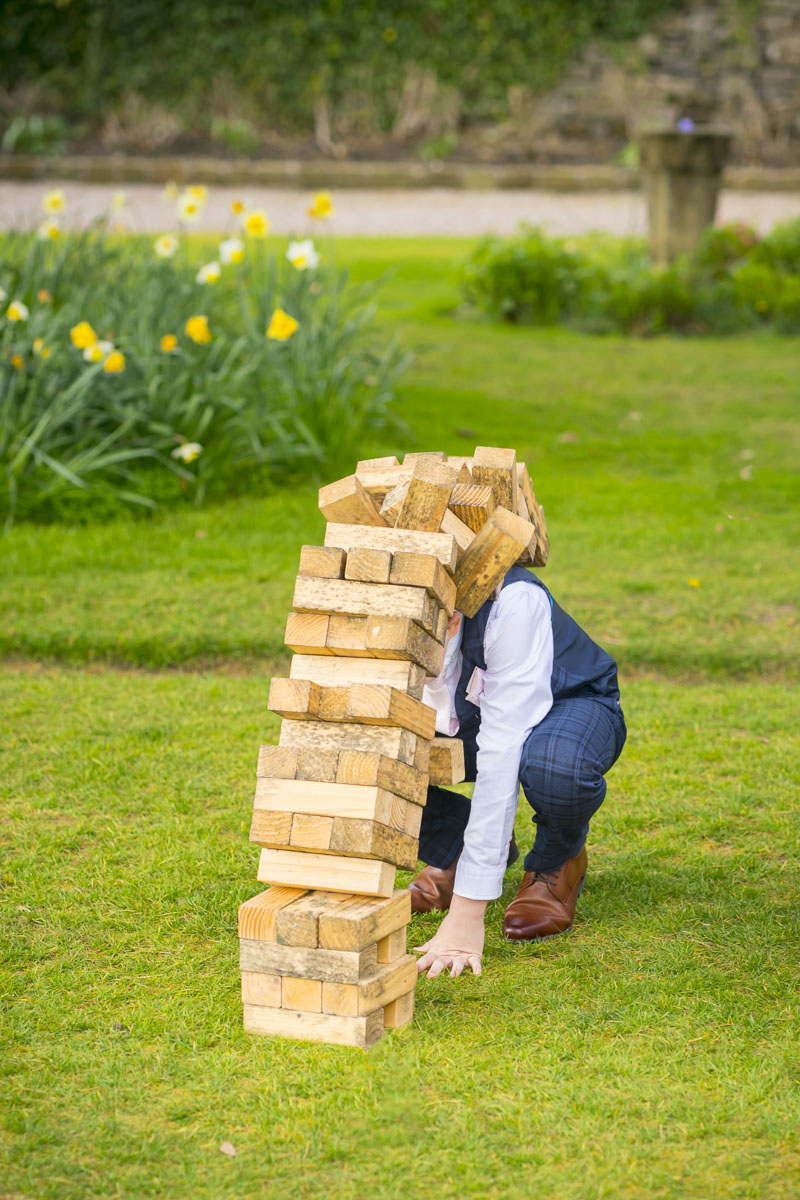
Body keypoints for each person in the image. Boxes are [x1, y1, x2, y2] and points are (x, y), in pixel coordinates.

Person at [412, 563, 626, 980]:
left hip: (568, 702)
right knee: (366, 752)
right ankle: (455, 847)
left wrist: (466, 917)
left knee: (554, 767)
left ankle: (556, 860)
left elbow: (501, 752)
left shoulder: (511, 601)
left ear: (450, 618)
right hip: (469, 713)